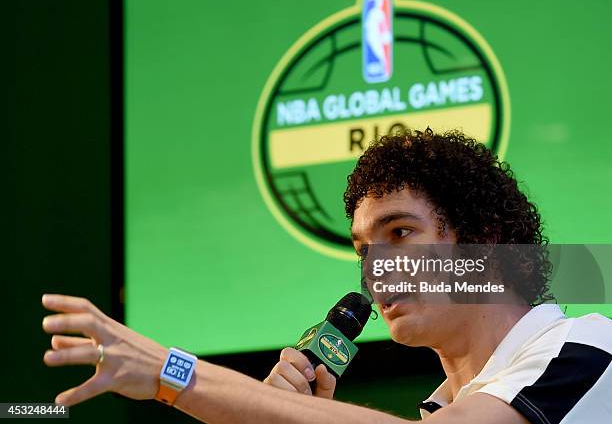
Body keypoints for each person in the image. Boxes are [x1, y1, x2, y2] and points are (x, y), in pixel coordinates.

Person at [42, 129, 612, 423]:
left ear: (485, 239)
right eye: (363, 249)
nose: (375, 270)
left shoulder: (585, 347)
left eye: (401, 234)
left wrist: (174, 374)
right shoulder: (437, 408)